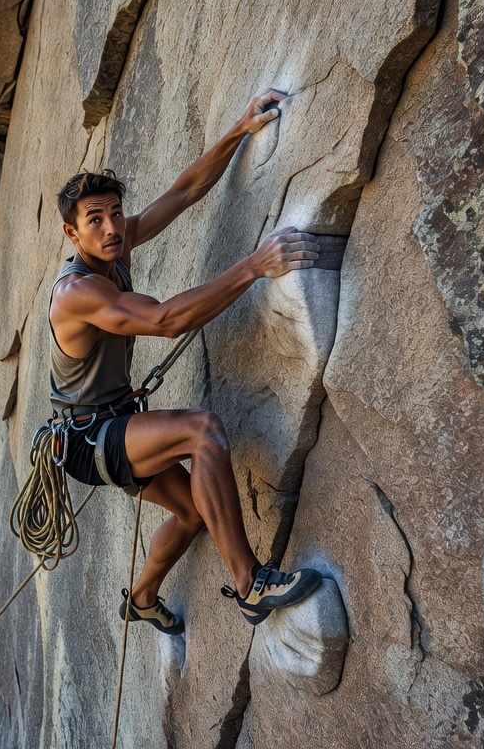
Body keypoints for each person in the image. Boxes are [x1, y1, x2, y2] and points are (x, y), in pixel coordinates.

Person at [48, 89, 323, 634]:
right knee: (203, 432)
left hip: (108, 423)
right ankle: (252, 585)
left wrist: (238, 130)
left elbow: (183, 190)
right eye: (94, 219)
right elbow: (167, 320)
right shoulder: (76, 293)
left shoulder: (115, 248)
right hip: (89, 437)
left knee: (196, 511)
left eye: (115, 215)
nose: (110, 228)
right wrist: (252, 267)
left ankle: (143, 597)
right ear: (71, 232)